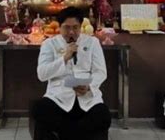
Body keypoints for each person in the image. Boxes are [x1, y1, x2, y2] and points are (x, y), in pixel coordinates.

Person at [31, 7, 111, 140]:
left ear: (81, 26)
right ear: (59, 27)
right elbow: (42, 74)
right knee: (39, 110)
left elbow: (101, 72)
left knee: (102, 116)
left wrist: (89, 86)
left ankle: (68, 134)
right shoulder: (49, 44)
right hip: (58, 97)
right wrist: (64, 58)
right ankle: (74, 134)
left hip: (87, 97)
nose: (71, 32)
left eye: (75, 27)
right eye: (66, 28)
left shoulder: (92, 42)